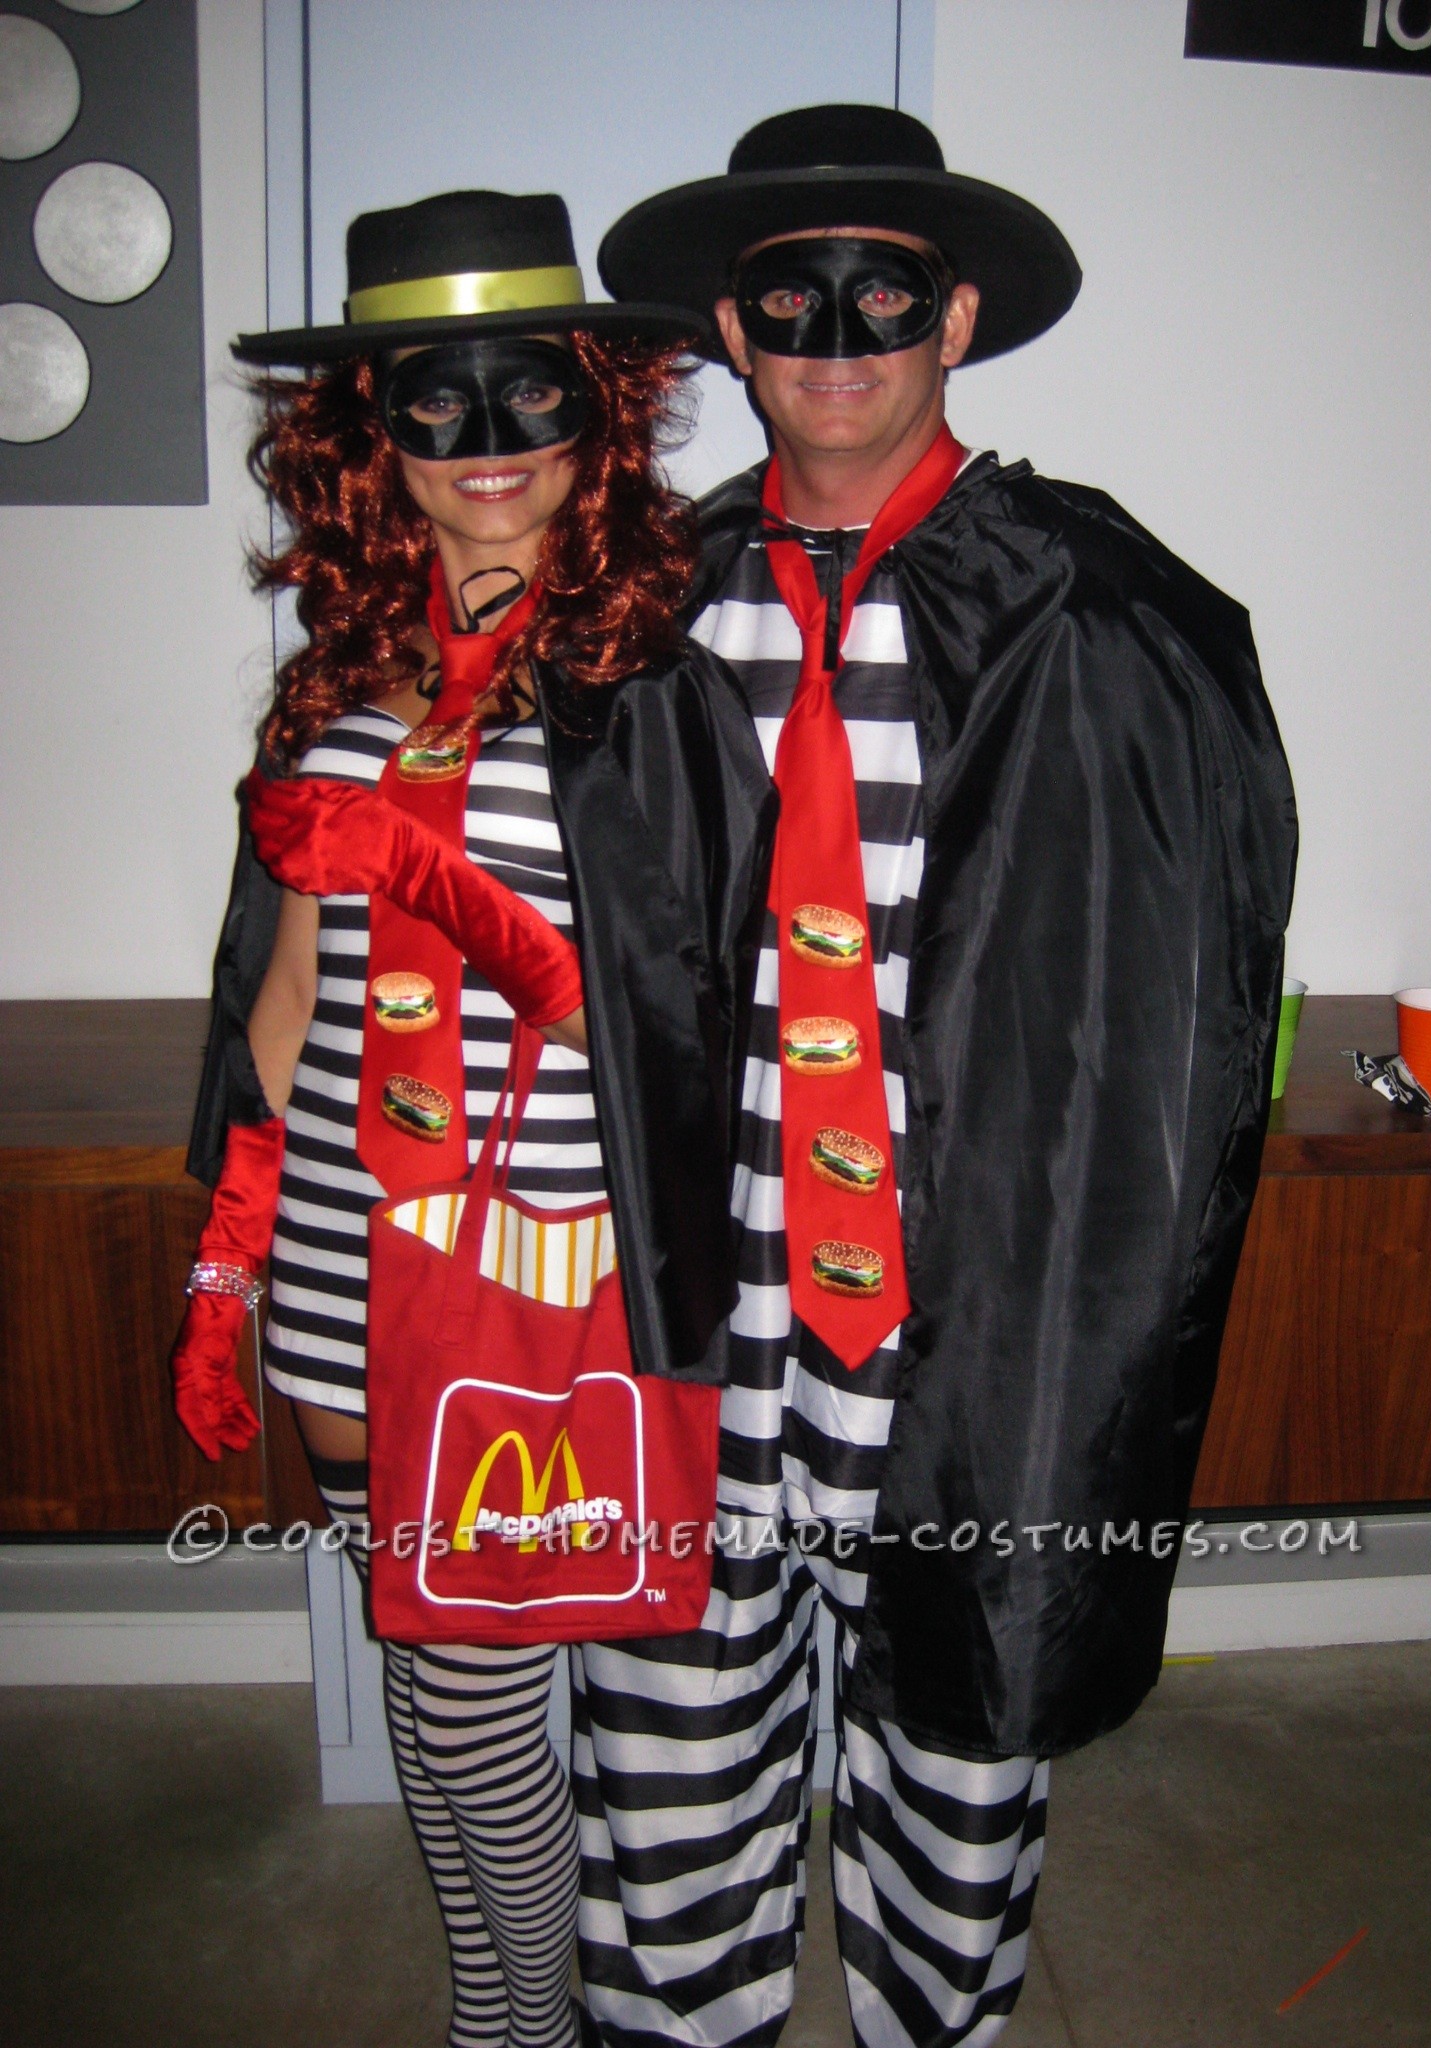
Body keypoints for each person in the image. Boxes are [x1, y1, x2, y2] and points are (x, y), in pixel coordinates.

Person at [565, 104, 1298, 2048]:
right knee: (666, 1772)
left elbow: (1179, 1023)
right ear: (730, 329)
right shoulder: (638, 612)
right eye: (785, 292)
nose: (833, 329)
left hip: (962, 1324)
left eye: (880, 286)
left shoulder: (1104, 612)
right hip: (696, 1315)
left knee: (955, 1783)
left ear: (955, 315)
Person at [171, 189, 775, 2048]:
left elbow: (689, 1020)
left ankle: (592, 2008)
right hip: (357, 1266)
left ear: (597, 417)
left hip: (563, 1269)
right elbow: (282, 1001)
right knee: (448, 1696)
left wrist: (448, 895)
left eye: (533, 399)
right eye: (438, 404)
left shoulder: (655, 692)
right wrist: (234, 1258)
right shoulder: (329, 691)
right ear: (369, 443)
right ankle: (504, 2015)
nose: (490, 450)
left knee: (618, 1685)